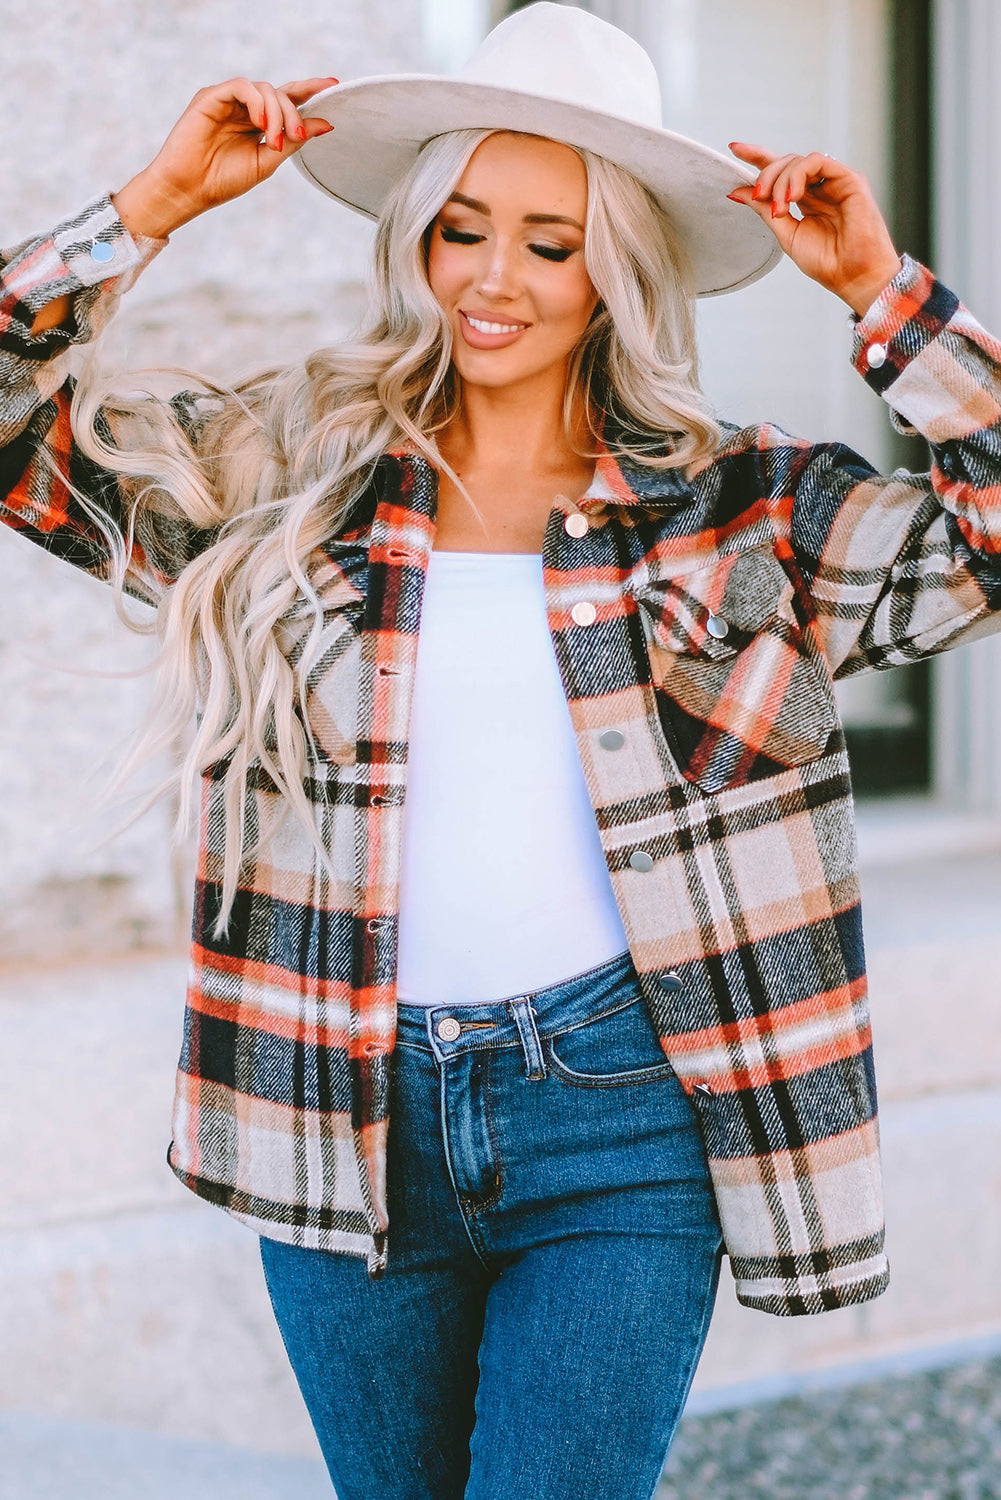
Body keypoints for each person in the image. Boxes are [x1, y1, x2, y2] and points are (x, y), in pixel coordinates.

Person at [3, 3, 1001, 1497]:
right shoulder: (290, 473)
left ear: (618, 270)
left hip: (619, 1116)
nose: (493, 278)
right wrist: (151, 208)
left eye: (549, 242)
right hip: (344, 1101)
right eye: (462, 227)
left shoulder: (742, 509)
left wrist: (881, 291)